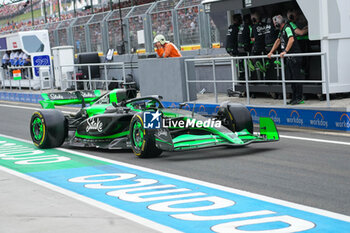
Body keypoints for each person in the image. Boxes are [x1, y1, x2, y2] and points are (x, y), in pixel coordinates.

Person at [268, 15, 304, 105]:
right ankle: (294, 97)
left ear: (278, 23)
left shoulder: (287, 27)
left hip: (295, 56)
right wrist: (271, 52)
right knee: (292, 78)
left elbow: (291, 39)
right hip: (289, 58)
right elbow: (278, 41)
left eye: (274, 23)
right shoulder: (282, 30)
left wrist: (285, 51)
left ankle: (299, 98)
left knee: (296, 78)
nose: (274, 25)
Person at [287, 9, 309, 79]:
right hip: (294, 47)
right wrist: (310, 27)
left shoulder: (288, 24)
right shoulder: (290, 24)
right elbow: (301, 33)